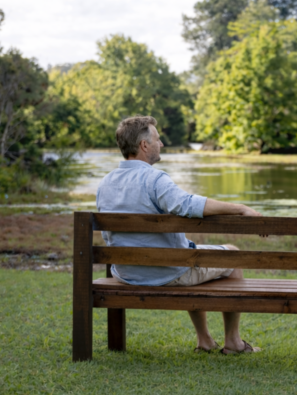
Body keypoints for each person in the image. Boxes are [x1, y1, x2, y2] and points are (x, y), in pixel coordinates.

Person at [96, 115, 262, 355]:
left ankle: (205, 340)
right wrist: (241, 208)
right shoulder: (154, 179)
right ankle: (233, 343)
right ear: (144, 145)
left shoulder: (105, 183)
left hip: (126, 273)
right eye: (157, 139)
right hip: (167, 272)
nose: (161, 144)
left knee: (192, 255)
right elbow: (188, 205)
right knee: (232, 256)